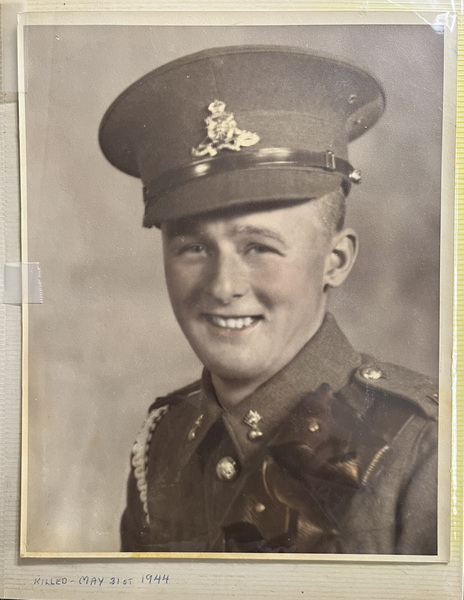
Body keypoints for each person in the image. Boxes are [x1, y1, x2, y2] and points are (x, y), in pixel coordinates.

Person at [99, 45, 438, 554]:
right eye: (193, 247)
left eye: (259, 247)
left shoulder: (427, 452)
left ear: (336, 260)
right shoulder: (164, 444)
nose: (222, 286)